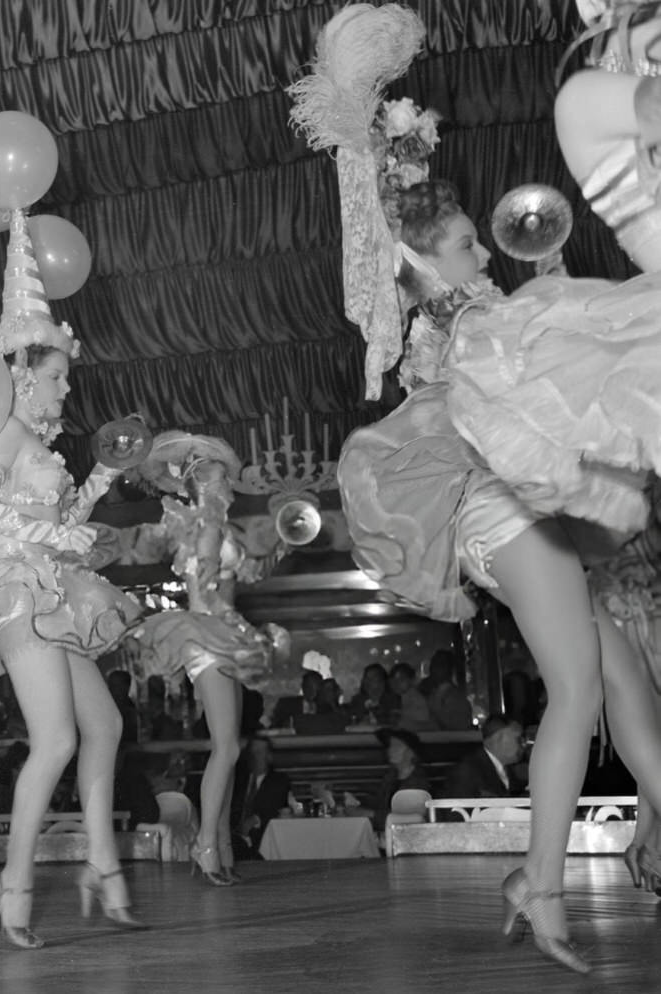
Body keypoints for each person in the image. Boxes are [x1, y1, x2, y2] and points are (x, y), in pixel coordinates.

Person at [292, 3, 661, 972]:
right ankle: (540, 886)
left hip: (538, 501)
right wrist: (370, 134)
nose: (481, 251)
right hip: (492, 510)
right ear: (420, 258)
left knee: (622, 677)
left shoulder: (500, 306)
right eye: (463, 244)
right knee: (577, 688)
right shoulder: (425, 325)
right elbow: (385, 238)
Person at [0, 208, 146, 948]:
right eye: (55, 376)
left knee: (106, 725)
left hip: (54, 589)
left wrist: (98, 481)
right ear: (23, 375)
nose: (64, 389)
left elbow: (65, 518)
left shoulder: (39, 444)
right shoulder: (4, 432)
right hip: (19, 595)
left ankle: (102, 863)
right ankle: (14, 885)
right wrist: (55, 528)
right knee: (54, 741)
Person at [123, 431, 288, 885]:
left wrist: (278, 548)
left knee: (228, 746)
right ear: (198, 484)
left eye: (224, 481)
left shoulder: (214, 526)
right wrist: (240, 631)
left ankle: (222, 845)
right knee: (228, 746)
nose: (226, 487)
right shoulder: (206, 526)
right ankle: (206, 845)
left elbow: (246, 572)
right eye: (218, 481)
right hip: (207, 635)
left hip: (219, 634)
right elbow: (210, 591)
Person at [231, 736, 292, 860]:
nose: (254, 756)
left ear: (269, 757)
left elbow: (277, 807)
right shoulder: (237, 780)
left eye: (259, 752)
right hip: (232, 838)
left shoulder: (279, 781)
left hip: (261, 840)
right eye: (252, 752)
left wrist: (255, 819)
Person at [442, 713, 527, 802]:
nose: (523, 745)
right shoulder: (467, 771)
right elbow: (456, 813)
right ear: (497, 738)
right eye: (519, 739)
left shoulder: (512, 770)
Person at [369, 728, 432, 833]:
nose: (391, 750)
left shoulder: (418, 783)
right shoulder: (390, 777)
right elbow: (379, 805)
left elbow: (406, 821)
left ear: (411, 752)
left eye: (397, 746)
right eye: (391, 746)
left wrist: (368, 814)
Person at [346, 662, 399, 727]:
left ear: (382, 681)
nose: (367, 681)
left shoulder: (393, 699)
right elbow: (351, 720)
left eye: (372, 678)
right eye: (366, 678)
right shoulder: (357, 700)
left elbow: (394, 722)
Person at [388, 662, 435, 731]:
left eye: (401, 679)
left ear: (412, 680)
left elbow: (423, 718)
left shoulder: (416, 698)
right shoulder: (399, 698)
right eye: (393, 681)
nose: (396, 683)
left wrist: (400, 716)